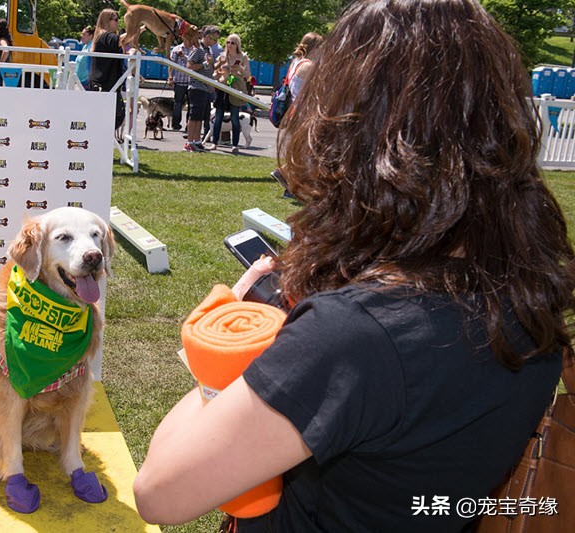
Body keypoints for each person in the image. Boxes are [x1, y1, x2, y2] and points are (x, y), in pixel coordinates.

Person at [133, 1, 575, 531]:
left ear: (359, 128)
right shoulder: (526, 296)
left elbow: (161, 493)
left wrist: (225, 343)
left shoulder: (355, 337)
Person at [271, 32, 323, 198]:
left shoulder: (296, 62)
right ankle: (285, 174)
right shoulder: (308, 65)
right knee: (307, 150)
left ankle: (291, 186)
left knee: (301, 150)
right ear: (315, 47)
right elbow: (313, 91)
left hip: (293, 111)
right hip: (303, 112)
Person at [209, 33, 250, 155]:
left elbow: (248, 76)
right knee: (218, 118)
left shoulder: (243, 57)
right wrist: (220, 66)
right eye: (228, 42)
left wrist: (240, 69)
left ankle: (235, 145)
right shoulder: (222, 56)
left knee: (235, 118)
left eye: (232, 43)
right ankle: (214, 143)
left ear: (237, 44)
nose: (229, 45)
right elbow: (214, 73)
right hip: (223, 88)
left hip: (236, 89)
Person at [88, 9, 126, 130]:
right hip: (103, 83)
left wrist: (140, 29)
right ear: (107, 20)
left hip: (109, 82)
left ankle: (101, 139)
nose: (117, 22)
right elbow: (122, 40)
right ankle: (100, 139)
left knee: (115, 115)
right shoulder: (104, 35)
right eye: (115, 19)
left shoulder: (101, 36)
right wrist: (135, 27)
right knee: (114, 115)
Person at [184, 26, 218, 152]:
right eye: (215, 38)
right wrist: (204, 65)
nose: (216, 42)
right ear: (208, 36)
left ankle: (197, 141)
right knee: (194, 116)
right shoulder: (198, 49)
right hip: (196, 87)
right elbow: (189, 65)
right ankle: (190, 142)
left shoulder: (208, 50)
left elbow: (210, 68)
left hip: (205, 88)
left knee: (200, 116)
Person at [168, 39, 194, 132]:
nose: (189, 40)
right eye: (187, 37)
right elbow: (171, 64)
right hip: (179, 80)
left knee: (191, 105)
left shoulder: (195, 49)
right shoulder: (176, 49)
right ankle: (176, 124)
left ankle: (189, 125)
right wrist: (170, 77)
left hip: (192, 81)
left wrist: (184, 57)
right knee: (178, 103)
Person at [75, 26, 94, 90]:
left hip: (86, 81)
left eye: (83, 34)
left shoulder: (92, 46)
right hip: (80, 81)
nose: (81, 36)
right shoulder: (85, 46)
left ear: (90, 36)